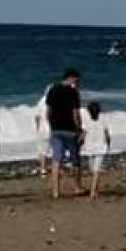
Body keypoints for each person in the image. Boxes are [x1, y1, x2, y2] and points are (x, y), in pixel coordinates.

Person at [46, 68, 84, 199]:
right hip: (70, 130)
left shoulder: (52, 90)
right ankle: (77, 187)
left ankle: (56, 191)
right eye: (76, 80)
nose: (77, 83)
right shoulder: (73, 92)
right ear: (71, 78)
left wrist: (51, 125)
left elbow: (48, 112)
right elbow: (75, 114)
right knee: (75, 160)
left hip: (56, 129)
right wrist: (79, 128)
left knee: (56, 160)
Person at [83, 101, 111, 199]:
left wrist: (79, 142)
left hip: (93, 148)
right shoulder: (102, 119)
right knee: (94, 170)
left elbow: (84, 134)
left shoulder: (89, 120)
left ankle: (92, 192)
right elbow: (107, 134)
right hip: (98, 148)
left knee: (95, 170)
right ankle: (96, 189)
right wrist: (108, 144)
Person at [33, 87, 51, 176]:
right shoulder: (53, 102)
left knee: (40, 149)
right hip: (49, 128)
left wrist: (37, 128)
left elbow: (36, 117)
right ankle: (43, 169)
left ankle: (40, 167)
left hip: (41, 128)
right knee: (46, 150)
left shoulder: (40, 101)